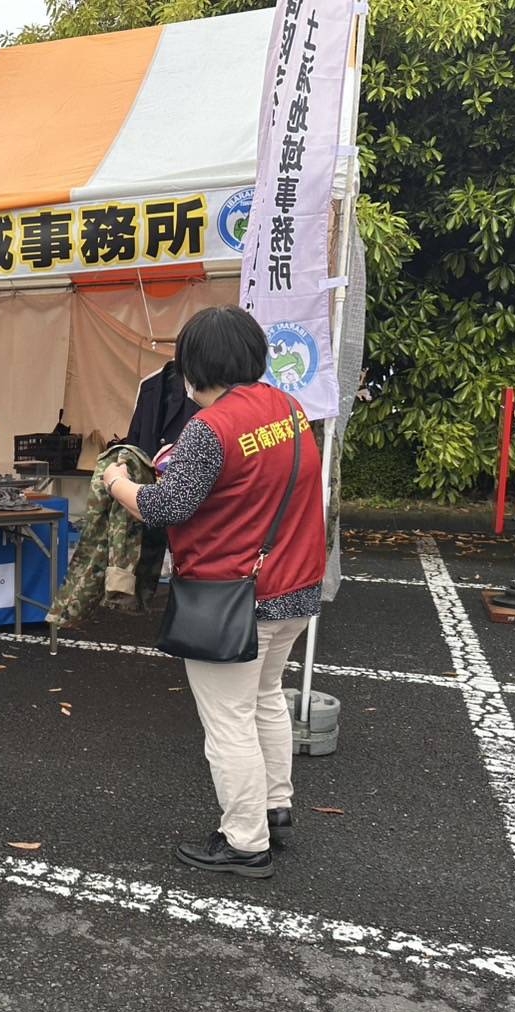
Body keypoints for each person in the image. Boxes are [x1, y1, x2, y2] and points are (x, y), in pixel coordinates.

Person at [102, 305, 326, 880]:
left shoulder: (211, 428)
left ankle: (245, 840)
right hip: (295, 586)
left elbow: (165, 506)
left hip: (234, 596)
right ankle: (275, 808)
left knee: (229, 721)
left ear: (193, 368)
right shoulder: (289, 408)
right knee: (266, 698)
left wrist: (116, 481)